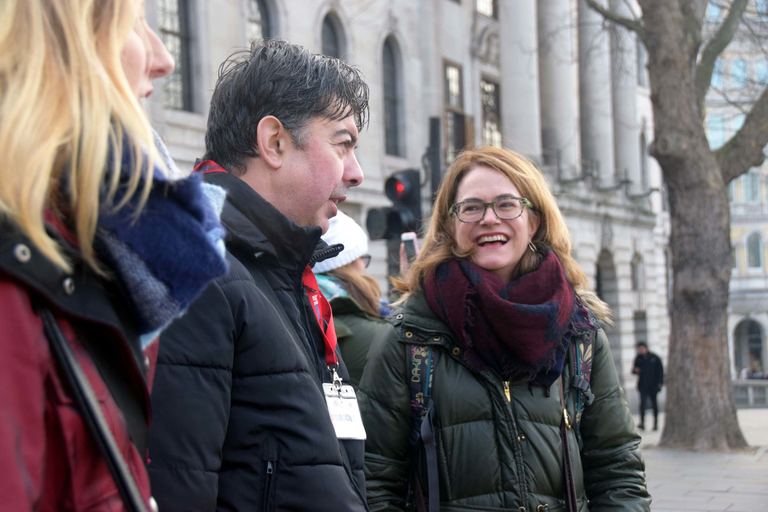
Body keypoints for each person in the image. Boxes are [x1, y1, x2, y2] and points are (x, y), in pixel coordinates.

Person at [0, 0, 229, 510]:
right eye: (132, 23)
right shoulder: (20, 272)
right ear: (56, 48)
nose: (163, 57)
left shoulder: (89, 250)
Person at [359, 146, 650, 511]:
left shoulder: (580, 334)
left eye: (507, 204)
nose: (489, 219)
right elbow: (373, 482)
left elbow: (617, 469)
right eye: (471, 207)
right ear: (450, 226)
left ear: (535, 220)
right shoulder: (408, 338)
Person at [147, 40, 371, 511]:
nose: (357, 173)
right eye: (343, 143)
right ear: (273, 142)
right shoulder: (203, 275)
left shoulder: (286, 277)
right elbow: (179, 483)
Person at [314, 211, 388, 390]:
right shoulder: (375, 333)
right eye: (363, 258)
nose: (364, 267)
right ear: (350, 262)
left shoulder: (302, 305)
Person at [632, 342, 665, 431]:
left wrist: (660, 382)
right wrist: (636, 370)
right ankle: (642, 423)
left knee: (654, 404)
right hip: (643, 385)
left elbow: (660, 371)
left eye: (642, 348)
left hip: (653, 385)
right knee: (643, 404)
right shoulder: (638, 358)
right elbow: (634, 370)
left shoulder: (654, 358)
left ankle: (655, 424)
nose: (641, 351)